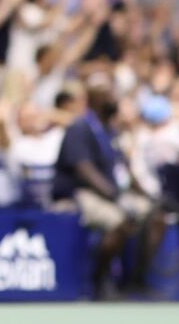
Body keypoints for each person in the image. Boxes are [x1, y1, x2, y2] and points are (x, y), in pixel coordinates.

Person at [52, 87, 154, 299]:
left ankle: (135, 279)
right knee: (120, 220)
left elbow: (124, 169)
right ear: (94, 100)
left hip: (113, 193)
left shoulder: (110, 131)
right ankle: (100, 279)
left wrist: (148, 196)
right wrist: (116, 198)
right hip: (81, 193)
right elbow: (85, 171)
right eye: (108, 95)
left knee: (155, 216)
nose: (113, 99)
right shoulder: (80, 128)